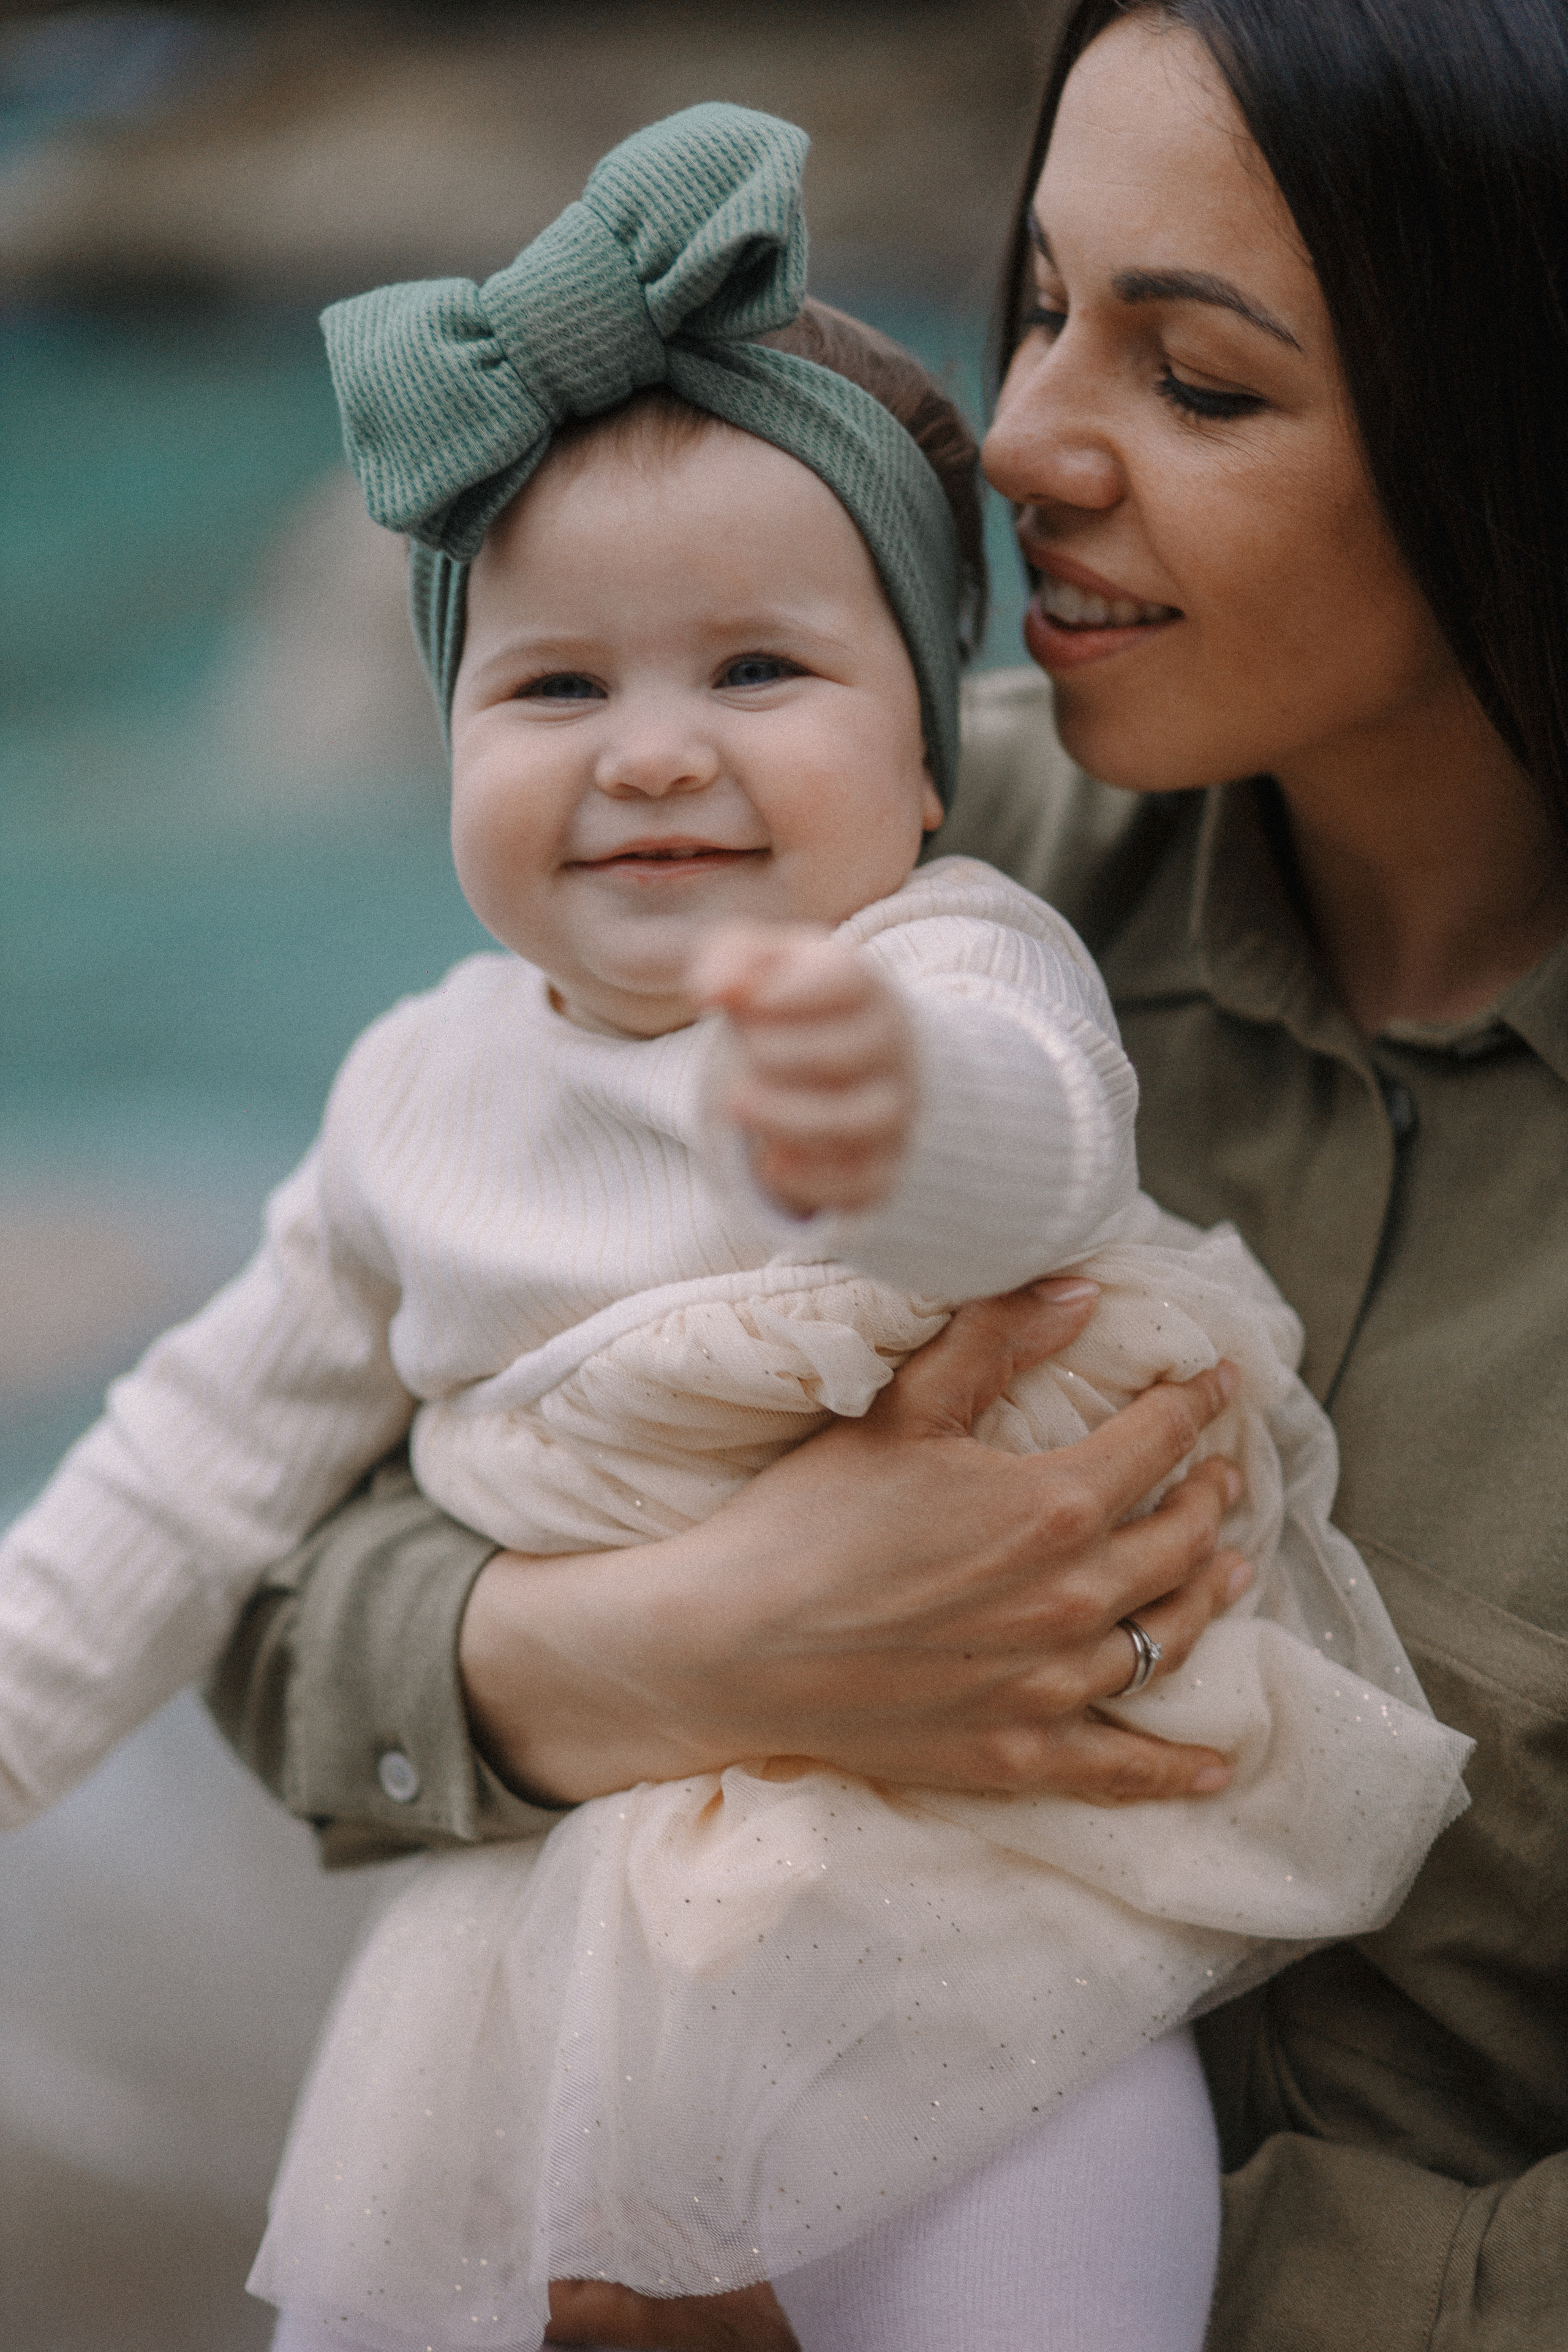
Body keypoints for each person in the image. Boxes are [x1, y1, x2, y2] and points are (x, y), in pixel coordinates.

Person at [0, 96, 1469, 2352]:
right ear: (445, 749)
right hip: (551, 1960)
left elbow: (1040, 1159)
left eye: (756, 673)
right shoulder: (414, 1099)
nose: (656, 750)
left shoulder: (948, 963)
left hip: (990, 1941)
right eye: (554, 686)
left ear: (931, 761)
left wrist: (880, 1118)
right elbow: (196, 1464)